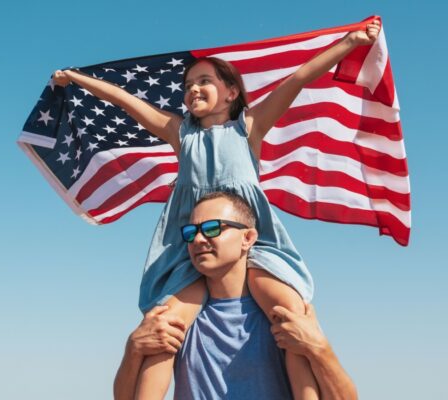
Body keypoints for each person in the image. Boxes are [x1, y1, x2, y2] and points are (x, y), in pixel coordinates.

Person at [53, 20, 379, 399]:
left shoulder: (249, 128)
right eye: (188, 85)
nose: (193, 89)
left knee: (290, 316)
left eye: (204, 81)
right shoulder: (181, 133)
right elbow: (128, 102)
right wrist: (78, 80)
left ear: (231, 93)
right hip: (190, 245)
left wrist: (351, 42)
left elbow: (298, 78)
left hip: (250, 243)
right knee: (164, 324)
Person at [114, 192, 357, 399]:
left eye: (212, 228)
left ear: (247, 238)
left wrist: (320, 350)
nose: (198, 239)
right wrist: (132, 349)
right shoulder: (177, 315)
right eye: (191, 232)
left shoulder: (285, 313)